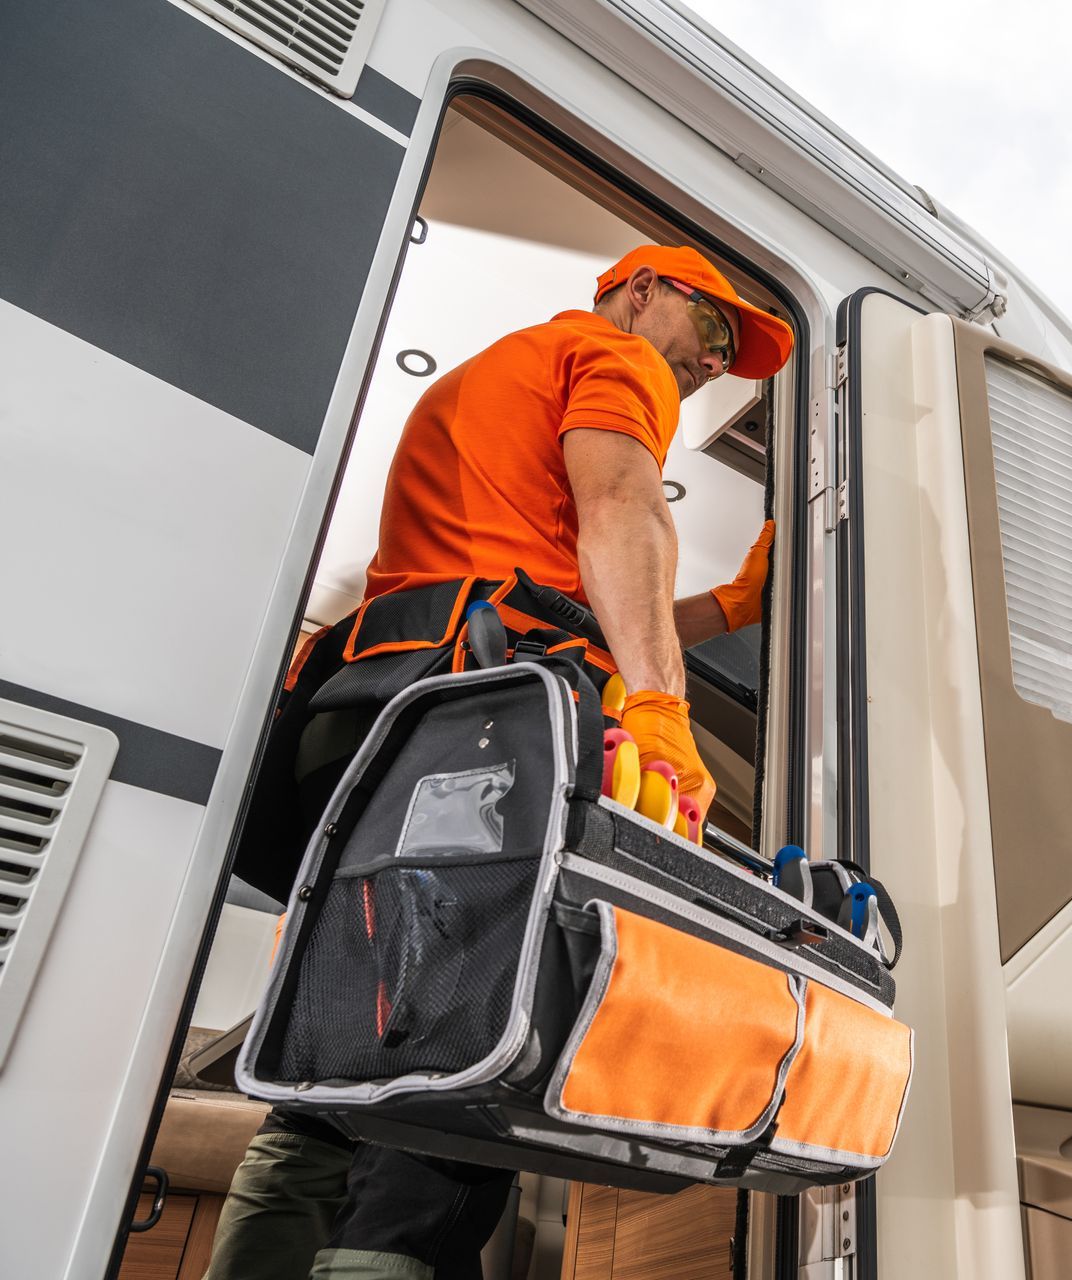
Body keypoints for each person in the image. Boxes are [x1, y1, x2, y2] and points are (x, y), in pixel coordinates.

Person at [205, 243, 794, 1280]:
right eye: (711, 329)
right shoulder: (614, 357)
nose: (710, 365)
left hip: (377, 719)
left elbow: (566, 584)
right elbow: (622, 507)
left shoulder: (500, 375)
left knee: (341, 1054)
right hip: (474, 730)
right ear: (641, 289)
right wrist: (658, 707)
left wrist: (729, 608)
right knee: (469, 1051)